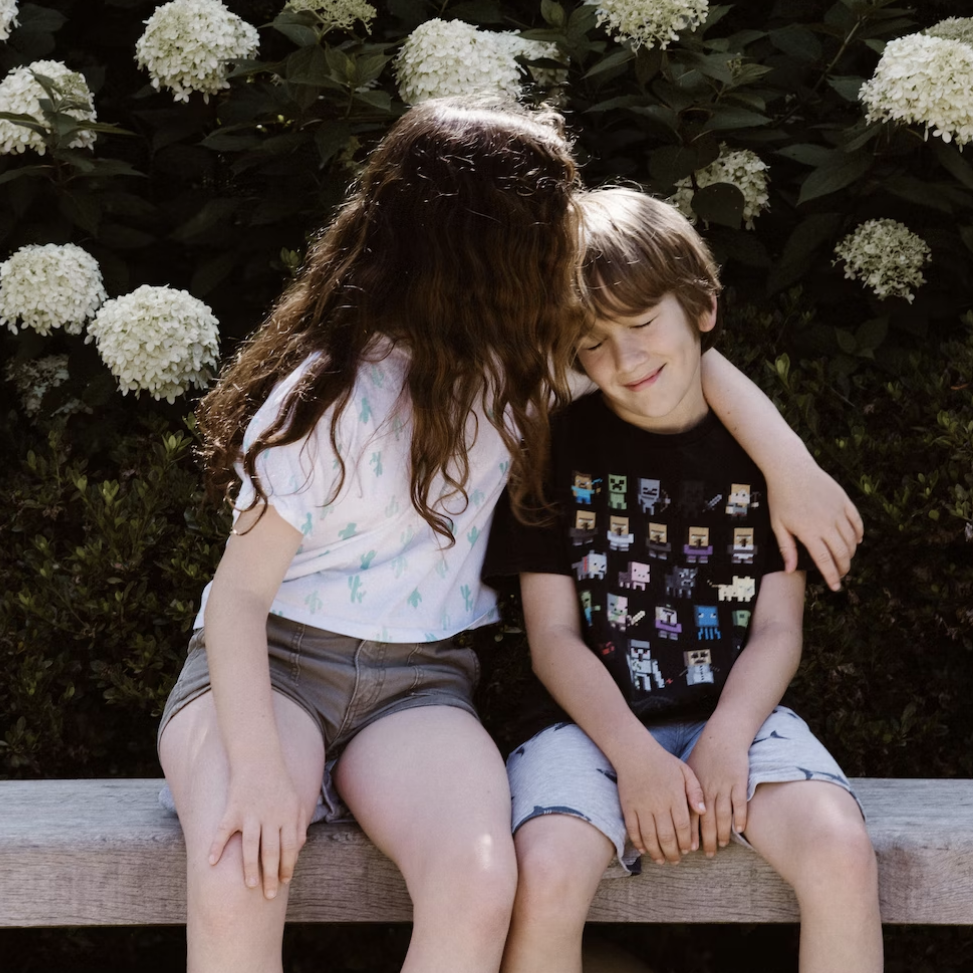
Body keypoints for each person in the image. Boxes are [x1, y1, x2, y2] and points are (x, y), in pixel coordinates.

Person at [158, 99, 864, 973]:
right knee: (241, 861)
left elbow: (677, 352)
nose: (565, 251)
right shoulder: (330, 395)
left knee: (480, 875)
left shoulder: (515, 377)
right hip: (274, 662)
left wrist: (785, 463)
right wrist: (262, 772)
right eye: (548, 234)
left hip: (417, 684)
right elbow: (236, 602)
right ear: (480, 258)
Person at [483, 187, 882, 973]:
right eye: (592, 343)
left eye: (639, 325)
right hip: (584, 728)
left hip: (735, 714)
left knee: (838, 849)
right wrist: (634, 757)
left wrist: (729, 738)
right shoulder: (555, 448)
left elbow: (776, 628)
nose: (624, 361)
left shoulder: (767, 461)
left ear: (700, 308)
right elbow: (552, 639)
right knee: (548, 870)